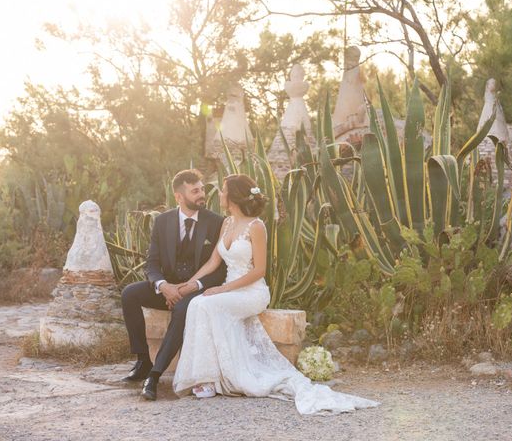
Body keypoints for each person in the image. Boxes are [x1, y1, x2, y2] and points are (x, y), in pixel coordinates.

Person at [172, 174, 379, 415]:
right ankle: (206, 378)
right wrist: (189, 284)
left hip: (251, 292)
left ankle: (210, 380)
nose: (218, 194)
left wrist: (223, 288)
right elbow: (213, 261)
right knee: (197, 302)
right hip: (230, 291)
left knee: (206, 305)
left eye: (223, 190)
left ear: (233, 196)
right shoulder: (227, 223)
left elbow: (259, 270)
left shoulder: (256, 226)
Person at [120, 169, 226, 401]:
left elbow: (220, 270)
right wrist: (163, 286)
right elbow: (152, 262)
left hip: (197, 290)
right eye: (195, 191)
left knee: (181, 309)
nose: (202, 195)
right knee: (130, 294)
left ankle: (155, 376)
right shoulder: (162, 221)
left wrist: (193, 285)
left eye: (202, 189)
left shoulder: (216, 223)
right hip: (168, 285)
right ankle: (143, 361)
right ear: (179, 197)